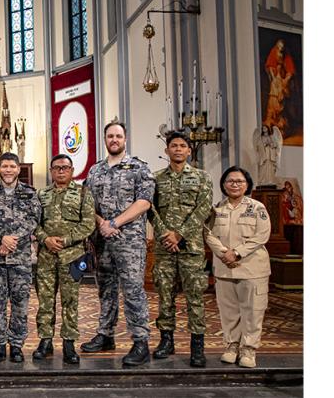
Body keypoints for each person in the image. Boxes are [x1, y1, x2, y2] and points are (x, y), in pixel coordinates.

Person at [80, 121, 155, 366]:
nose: (114, 139)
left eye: (118, 136)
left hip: (129, 240)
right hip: (102, 240)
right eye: (110, 136)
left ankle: (141, 342)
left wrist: (114, 223)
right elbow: (86, 203)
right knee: (106, 289)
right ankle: (106, 334)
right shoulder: (95, 170)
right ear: (105, 139)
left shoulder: (139, 168)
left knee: (133, 291)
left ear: (125, 139)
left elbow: (144, 202)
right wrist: (102, 223)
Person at [147, 132, 213, 367]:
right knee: (165, 296)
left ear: (189, 151)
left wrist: (180, 234)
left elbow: (203, 209)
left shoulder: (201, 178)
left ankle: (197, 346)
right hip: (165, 248)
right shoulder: (155, 179)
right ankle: (166, 341)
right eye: (173, 145)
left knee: (195, 297)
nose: (177, 149)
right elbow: (150, 209)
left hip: (191, 247)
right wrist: (166, 233)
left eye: (182, 146)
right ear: (167, 151)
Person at [204, 166, 271, 368]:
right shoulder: (217, 209)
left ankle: (248, 350)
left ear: (247, 185)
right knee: (228, 311)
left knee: (253, 311)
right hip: (225, 268)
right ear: (223, 185)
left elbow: (262, 235)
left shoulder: (257, 208)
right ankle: (231, 346)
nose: (235, 184)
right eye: (230, 181)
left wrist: (238, 252)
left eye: (239, 181)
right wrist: (224, 253)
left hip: (252, 268)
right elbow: (207, 232)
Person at [32, 154, 95, 364]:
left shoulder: (84, 193)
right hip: (46, 256)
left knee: (70, 301)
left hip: (72, 256)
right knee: (45, 301)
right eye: (57, 168)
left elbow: (88, 224)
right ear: (51, 171)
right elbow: (33, 223)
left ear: (72, 170)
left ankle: (69, 343)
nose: (61, 171)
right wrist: (45, 239)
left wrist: (66, 240)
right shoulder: (41, 194)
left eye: (65, 168)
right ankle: (45, 341)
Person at [0, 152, 42, 363]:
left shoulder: (29, 193)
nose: (8, 170)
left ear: (18, 169)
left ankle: (16, 345)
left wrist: (11, 241)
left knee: (20, 302)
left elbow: (34, 219)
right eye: (4, 166)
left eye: (12, 166)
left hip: (20, 258)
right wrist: (1, 238)